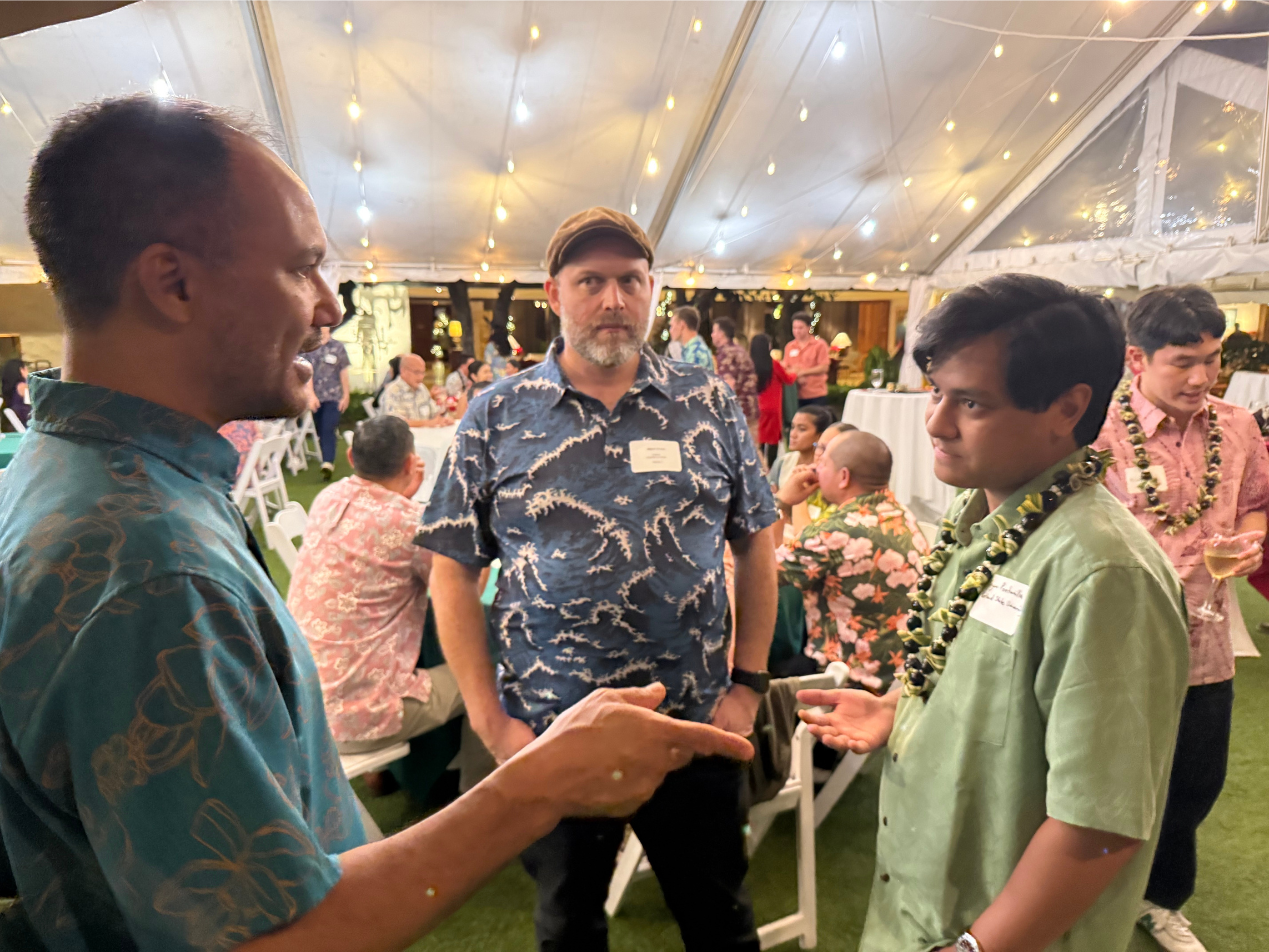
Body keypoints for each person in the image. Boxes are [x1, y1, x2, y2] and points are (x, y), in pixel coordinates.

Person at [0, 95, 753, 952]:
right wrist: (534, 781)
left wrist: (743, 682)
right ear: (173, 283)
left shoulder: (105, 483)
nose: (330, 308)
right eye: (302, 268)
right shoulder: (151, 568)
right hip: (544, 717)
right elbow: (275, 941)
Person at [416, 205, 779, 952]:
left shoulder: (707, 403)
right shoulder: (496, 415)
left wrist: (748, 685)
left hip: (693, 726)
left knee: (720, 921)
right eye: (590, 281)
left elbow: (756, 543)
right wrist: (491, 724)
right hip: (554, 733)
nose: (613, 299)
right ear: (554, 294)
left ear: (652, 291)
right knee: (568, 926)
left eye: (629, 281)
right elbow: (451, 571)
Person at [799, 274, 1190, 952]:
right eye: (936, 392)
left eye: (971, 402)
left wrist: (975, 948)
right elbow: (982, 679)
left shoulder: (1105, 574)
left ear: (1067, 407)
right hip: (922, 909)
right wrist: (898, 709)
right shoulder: (979, 514)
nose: (935, 422)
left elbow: (1101, 823)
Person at [1092, 285, 1269, 952]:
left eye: (1212, 359)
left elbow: (1254, 503)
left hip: (1206, 640)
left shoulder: (1238, 426)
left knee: (1195, 781)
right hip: (1117, 643)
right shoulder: (1097, 430)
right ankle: (1084, 892)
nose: (1202, 378)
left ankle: (1160, 898)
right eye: (1183, 362)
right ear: (1136, 359)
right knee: (1103, 779)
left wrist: (1250, 541)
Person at [287, 416, 468, 766]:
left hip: (301, 706)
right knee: (487, 677)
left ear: (350, 457)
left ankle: (388, 774)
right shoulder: (412, 524)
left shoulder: (328, 498)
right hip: (359, 719)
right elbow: (463, 593)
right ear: (410, 463)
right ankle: (476, 786)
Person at [776, 430, 927, 688]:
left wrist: (781, 501)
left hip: (848, 679)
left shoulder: (835, 531)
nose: (815, 468)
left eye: (823, 462)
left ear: (844, 477)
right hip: (902, 674)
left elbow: (764, 576)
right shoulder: (901, 514)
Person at [300, 325, 351, 480]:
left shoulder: (338, 347)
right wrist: (310, 395)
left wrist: (346, 395)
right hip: (316, 397)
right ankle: (326, 457)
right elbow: (307, 372)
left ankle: (328, 463)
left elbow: (343, 372)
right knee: (321, 429)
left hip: (334, 396)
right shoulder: (309, 347)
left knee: (329, 427)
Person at [712, 315, 759, 440]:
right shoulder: (739, 350)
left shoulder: (727, 354)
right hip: (750, 408)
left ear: (721, 334)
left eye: (714, 331)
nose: (712, 335)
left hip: (738, 412)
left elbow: (728, 385)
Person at [752, 332, 796, 467]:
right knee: (772, 440)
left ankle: (758, 466)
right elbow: (788, 380)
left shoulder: (749, 365)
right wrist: (794, 372)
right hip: (773, 408)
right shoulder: (774, 364)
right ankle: (771, 468)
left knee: (758, 439)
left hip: (757, 407)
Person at [380, 352, 451, 428]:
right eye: (417, 372)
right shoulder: (392, 392)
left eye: (423, 372)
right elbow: (395, 423)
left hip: (426, 433)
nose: (421, 377)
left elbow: (434, 413)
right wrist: (426, 423)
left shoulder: (421, 388)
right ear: (403, 371)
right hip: (406, 435)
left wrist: (443, 416)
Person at [781, 311, 830, 407]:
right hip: (796, 394)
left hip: (816, 394)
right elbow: (785, 367)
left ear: (808, 328)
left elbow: (824, 367)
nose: (797, 331)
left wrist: (803, 372)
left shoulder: (820, 345)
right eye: (794, 328)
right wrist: (796, 375)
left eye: (800, 328)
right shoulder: (789, 346)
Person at [669, 304, 714, 369]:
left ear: (682, 325)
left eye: (672, 326)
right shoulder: (691, 350)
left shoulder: (696, 353)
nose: (670, 330)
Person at [0, 358, 29, 430]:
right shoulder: (24, 386)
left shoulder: (9, 388)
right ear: (21, 370)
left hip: (14, 423)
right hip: (25, 422)